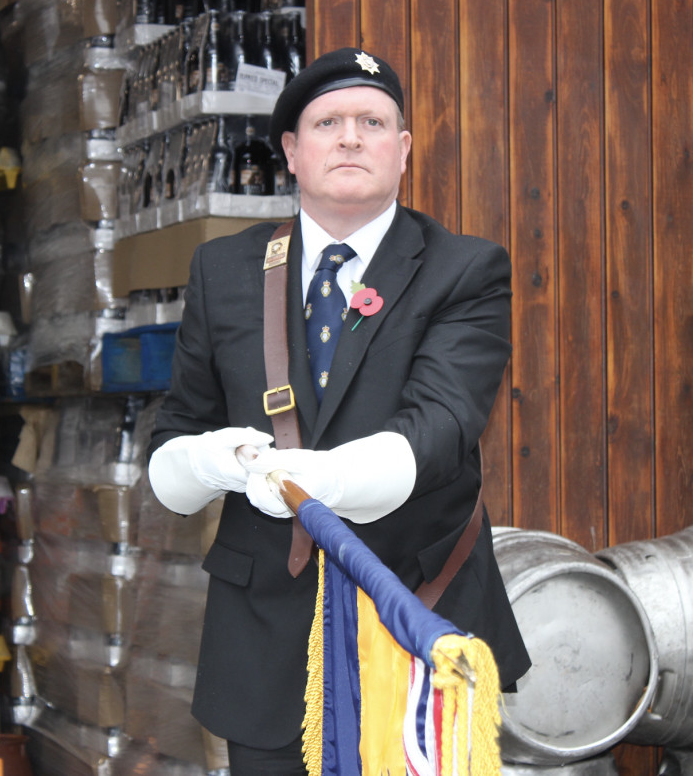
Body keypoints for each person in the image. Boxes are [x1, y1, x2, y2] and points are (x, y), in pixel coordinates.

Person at [147, 47, 531, 775]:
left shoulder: (467, 269)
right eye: (327, 122)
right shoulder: (223, 271)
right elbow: (174, 443)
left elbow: (440, 430)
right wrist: (211, 461)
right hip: (263, 639)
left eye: (372, 121)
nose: (351, 137)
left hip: (414, 620)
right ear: (291, 151)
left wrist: (316, 478)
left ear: (403, 149)